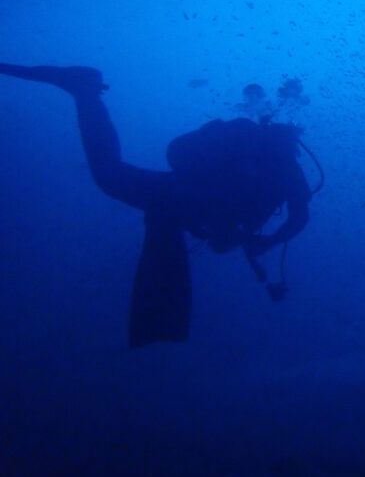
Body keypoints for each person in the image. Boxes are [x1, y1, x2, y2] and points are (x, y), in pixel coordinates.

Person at [0, 63, 312, 348]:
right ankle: (85, 91)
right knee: (111, 176)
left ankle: (86, 93)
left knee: (109, 174)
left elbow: (280, 219)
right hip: (186, 199)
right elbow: (297, 219)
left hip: (178, 192)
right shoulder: (288, 170)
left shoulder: (261, 153)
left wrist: (256, 241)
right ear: (295, 139)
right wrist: (266, 243)